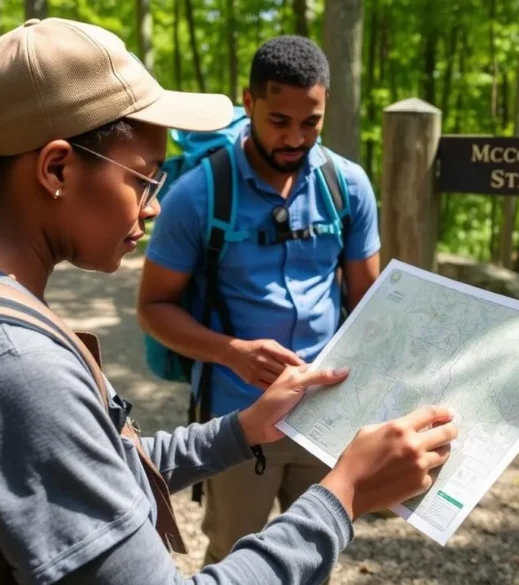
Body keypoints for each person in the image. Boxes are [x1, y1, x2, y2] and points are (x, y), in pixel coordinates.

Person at [0, 17, 457, 585]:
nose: (154, 205)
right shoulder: (12, 368)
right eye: (145, 177)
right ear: (56, 167)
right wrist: (344, 496)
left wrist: (241, 430)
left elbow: (92, 458)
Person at [137, 35, 382, 568]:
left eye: (311, 122)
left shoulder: (348, 187)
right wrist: (232, 352)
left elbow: (371, 304)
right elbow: (153, 307)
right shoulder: (198, 195)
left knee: (318, 552)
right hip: (237, 418)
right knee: (232, 556)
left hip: (327, 416)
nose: (296, 137)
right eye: (279, 121)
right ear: (247, 102)